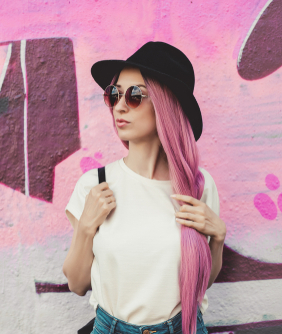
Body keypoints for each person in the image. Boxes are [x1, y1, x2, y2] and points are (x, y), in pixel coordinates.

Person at [62, 42, 226, 334]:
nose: (120, 105)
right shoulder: (95, 184)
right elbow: (77, 285)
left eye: (135, 95)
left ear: (167, 104)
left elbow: (201, 283)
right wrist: (86, 227)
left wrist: (217, 238)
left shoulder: (198, 187)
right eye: (114, 94)